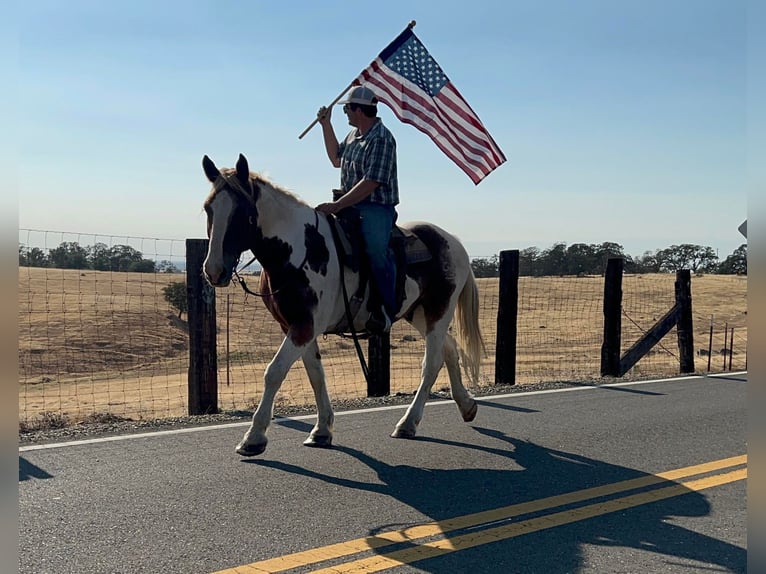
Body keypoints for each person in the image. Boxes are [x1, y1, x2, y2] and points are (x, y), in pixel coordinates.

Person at [316, 85, 398, 333]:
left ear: (359, 110)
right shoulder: (353, 136)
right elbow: (335, 159)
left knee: (375, 249)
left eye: (347, 110)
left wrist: (338, 205)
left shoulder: (382, 138)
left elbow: (371, 182)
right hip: (349, 203)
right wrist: (325, 125)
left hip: (375, 206)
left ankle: (385, 308)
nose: (346, 115)